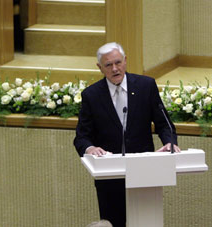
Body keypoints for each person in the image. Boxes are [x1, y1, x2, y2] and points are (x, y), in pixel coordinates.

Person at [74, 42, 180, 227]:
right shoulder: (92, 95)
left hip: (145, 171)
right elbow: (82, 137)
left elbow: (164, 124)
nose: (115, 69)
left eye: (118, 62)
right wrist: (90, 148)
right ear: (100, 67)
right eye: (108, 65)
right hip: (110, 178)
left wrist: (170, 142)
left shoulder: (146, 86)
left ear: (125, 61)